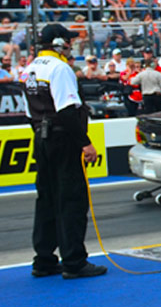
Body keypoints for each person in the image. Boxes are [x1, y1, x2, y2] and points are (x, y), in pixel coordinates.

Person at [22, 24, 106, 279]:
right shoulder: (60, 68)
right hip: (63, 138)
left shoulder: (30, 69)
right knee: (71, 199)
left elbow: (29, 115)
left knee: (46, 199)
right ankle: (74, 262)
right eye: (68, 41)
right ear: (59, 43)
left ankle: (44, 260)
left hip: (41, 137)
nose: (71, 45)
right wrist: (85, 143)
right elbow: (67, 111)